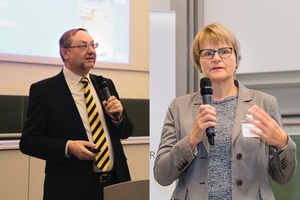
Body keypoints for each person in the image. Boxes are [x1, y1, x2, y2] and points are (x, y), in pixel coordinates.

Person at [153, 23, 297, 200]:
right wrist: (191, 140)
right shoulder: (178, 107)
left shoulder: (264, 104)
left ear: (237, 58)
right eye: (207, 53)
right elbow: (162, 175)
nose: (216, 58)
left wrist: (283, 143)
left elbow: (284, 177)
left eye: (224, 51)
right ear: (199, 62)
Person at [19, 28, 133, 200]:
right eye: (83, 46)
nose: (91, 51)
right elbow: (28, 142)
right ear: (65, 53)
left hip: (114, 183)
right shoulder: (44, 91)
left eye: (93, 45)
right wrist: (68, 146)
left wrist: (118, 118)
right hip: (70, 188)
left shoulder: (105, 84)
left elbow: (125, 132)